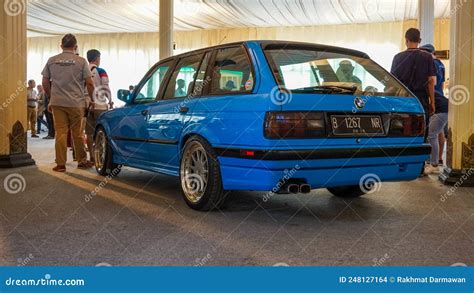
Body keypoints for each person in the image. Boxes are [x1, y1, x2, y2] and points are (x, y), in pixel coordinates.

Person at [41, 33, 95, 172]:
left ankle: (60, 164)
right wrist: (92, 100)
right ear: (75, 46)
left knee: (60, 133)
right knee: (78, 133)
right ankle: (82, 161)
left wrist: (51, 97)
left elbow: (45, 81)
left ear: (61, 46)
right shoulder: (81, 61)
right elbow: (90, 83)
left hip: (57, 102)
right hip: (76, 102)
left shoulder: (52, 60)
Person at [391, 28, 436, 136]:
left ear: (406, 40)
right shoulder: (427, 57)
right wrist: (432, 102)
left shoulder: (397, 57)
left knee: (404, 130)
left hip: (403, 99)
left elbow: (393, 82)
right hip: (421, 98)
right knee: (421, 130)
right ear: (419, 40)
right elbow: (431, 81)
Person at [420, 44, 449, 174]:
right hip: (440, 99)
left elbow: (432, 81)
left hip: (436, 103)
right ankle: (438, 159)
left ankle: (434, 163)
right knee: (437, 133)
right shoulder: (440, 64)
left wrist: (432, 102)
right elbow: (441, 84)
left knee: (432, 134)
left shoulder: (431, 63)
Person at [85, 49, 113, 163]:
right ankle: (100, 156)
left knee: (89, 132)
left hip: (86, 105)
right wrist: (110, 100)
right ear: (97, 58)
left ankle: (91, 156)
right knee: (101, 132)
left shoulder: (83, 70)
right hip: (100, 105)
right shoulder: (101, 70)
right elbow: (105, 87)